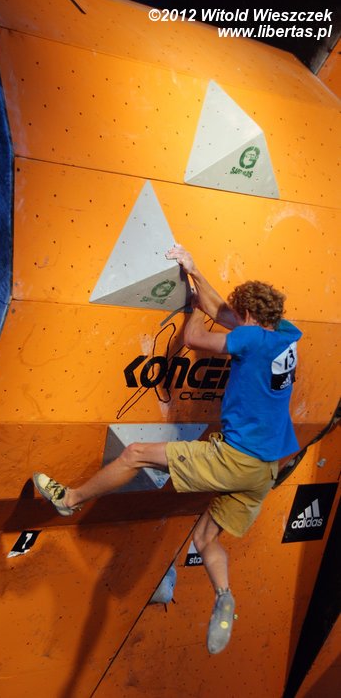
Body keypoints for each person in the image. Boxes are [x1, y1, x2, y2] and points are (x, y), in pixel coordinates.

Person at [34, 244, 302, 654]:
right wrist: (195, 272)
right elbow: (225, 312)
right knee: (205, 540)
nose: (233, 319)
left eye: (240, 315)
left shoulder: (249, 338)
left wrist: (192, 308)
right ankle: (224, 596)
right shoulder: (285, 336)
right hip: (265, 470)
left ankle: (70, 499)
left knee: (135, 454)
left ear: (248, 316)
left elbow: (196, 336)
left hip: (236, 459)